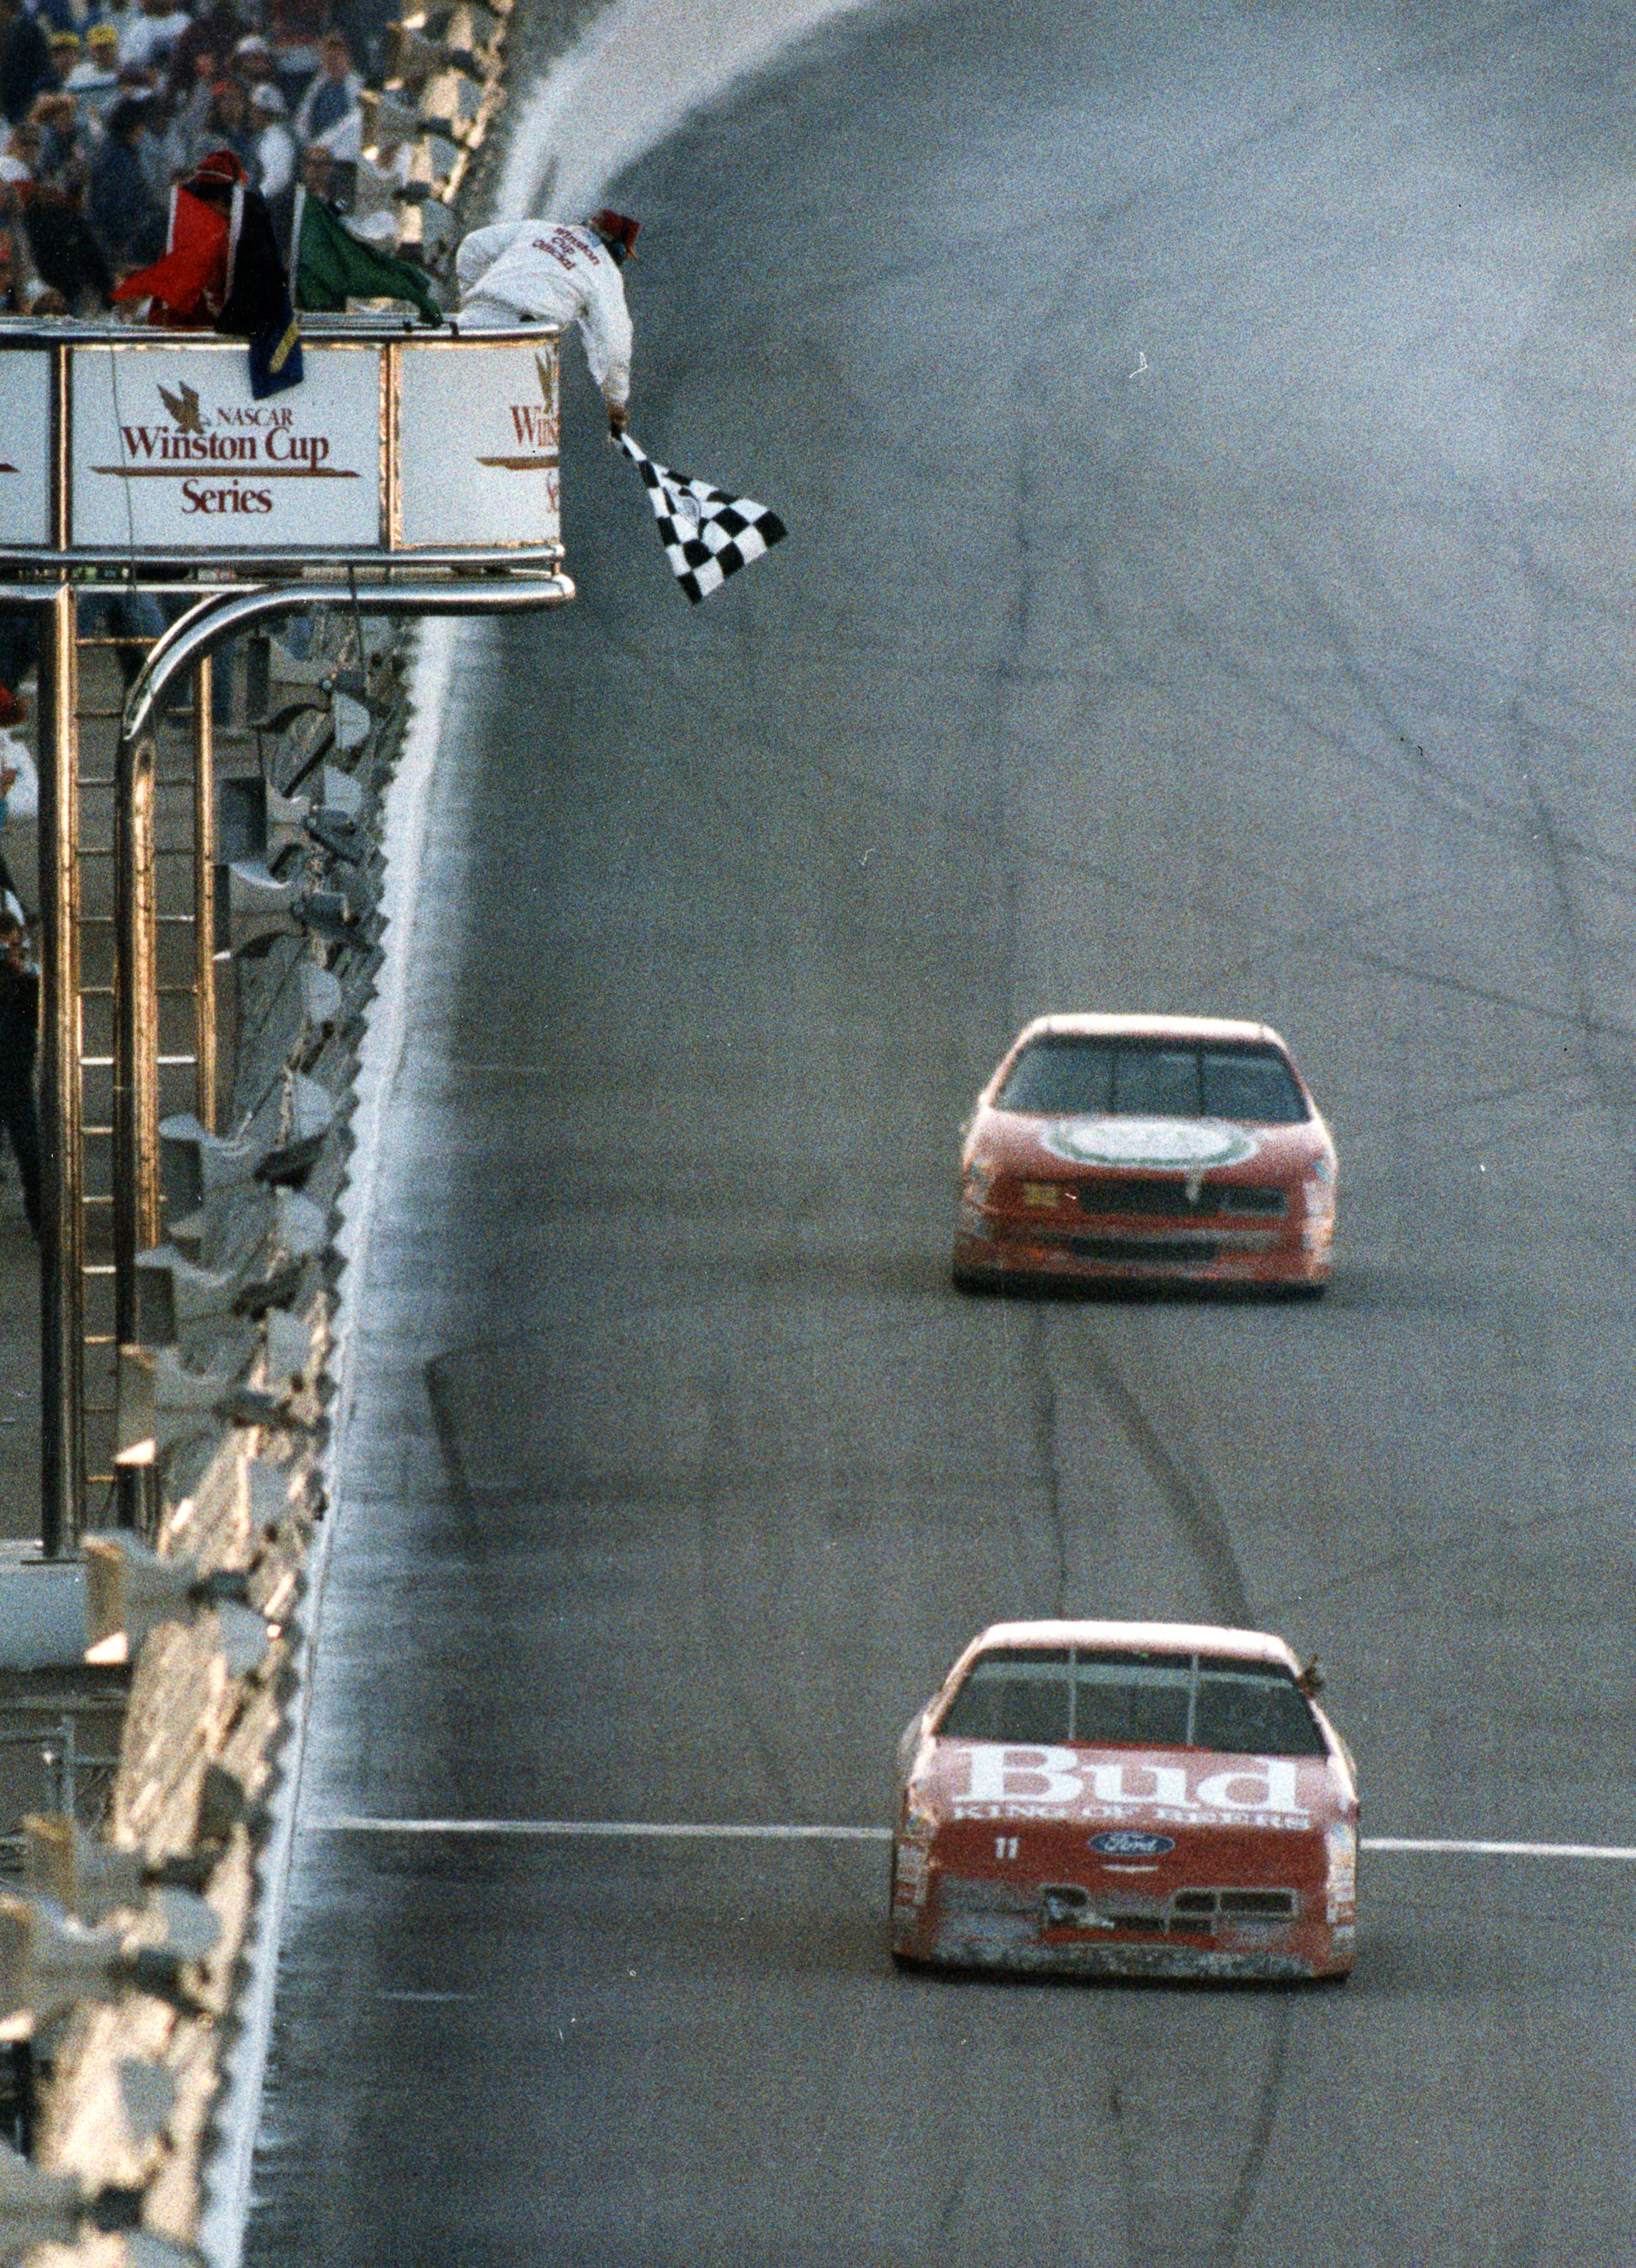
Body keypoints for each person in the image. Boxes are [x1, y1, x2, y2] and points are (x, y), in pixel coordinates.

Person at [455, 207, 637, 435]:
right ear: (619, 251)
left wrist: (471, 299)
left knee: (455, 413)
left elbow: (473, 246)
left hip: (470, 322)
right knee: (503, 432)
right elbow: (615, 345)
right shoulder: (605, 271)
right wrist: (616, 404)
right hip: (522, 339)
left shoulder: (541, 229)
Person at [0, 902, 40, 1243]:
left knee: (31, 1152)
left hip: (15, 1079)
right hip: (14, 1077)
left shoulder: (27, 982)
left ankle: (41, 1219)